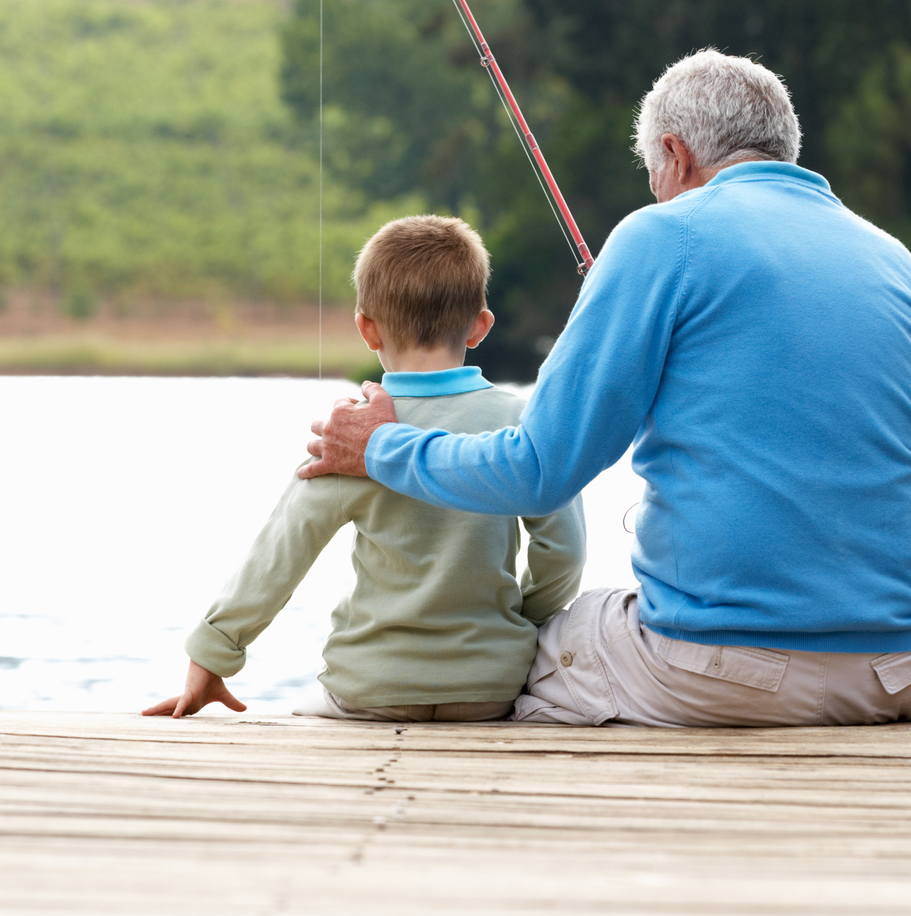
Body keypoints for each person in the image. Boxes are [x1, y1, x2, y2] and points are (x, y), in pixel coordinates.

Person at [299, 50, 911, 728]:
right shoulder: (896, 260)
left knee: (520, 659)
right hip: (906, 670)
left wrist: (380, 447)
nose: (655, 196)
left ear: (675, 155)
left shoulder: (662, 235)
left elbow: (536, 471)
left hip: (729, 674)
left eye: (653, 179)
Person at [144, 215, 586, 723]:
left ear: (366, 328)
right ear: (481, 325)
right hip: (490, 687)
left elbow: (281, 552)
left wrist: (213, 653)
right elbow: (565, 552)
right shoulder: (520, 422)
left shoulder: (349, 434)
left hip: (371, 686)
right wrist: (519, 624)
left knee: (301, 717)